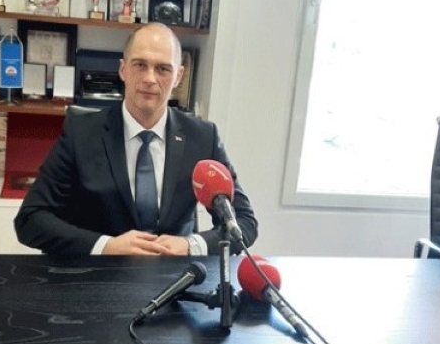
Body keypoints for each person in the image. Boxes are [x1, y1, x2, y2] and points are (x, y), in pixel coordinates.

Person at [14, 22, 258, 257]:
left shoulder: (203, 138)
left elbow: (245, 222)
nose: (150, 78)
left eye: (163, 69)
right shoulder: (81, 133)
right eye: (140, 65)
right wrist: (106, 246)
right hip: (100, 273)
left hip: (175, 274)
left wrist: (190, 245)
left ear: (179, 76)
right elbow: (30, 219)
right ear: (123, 70)